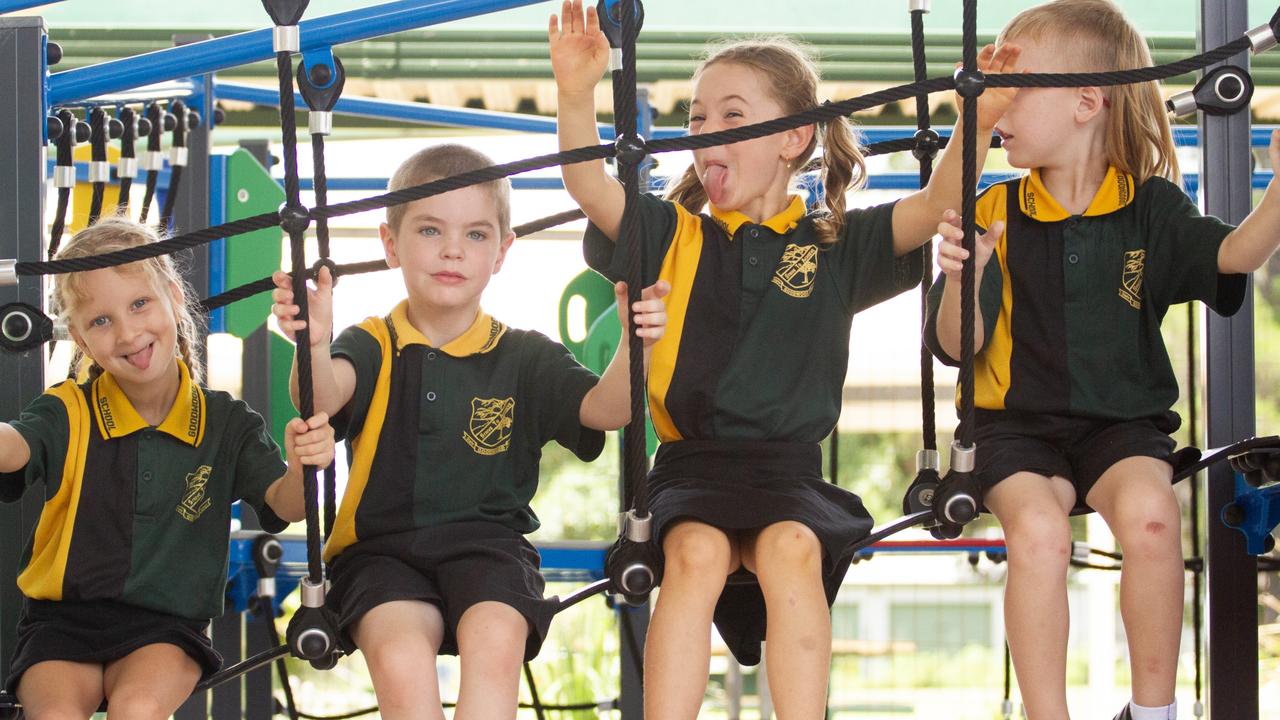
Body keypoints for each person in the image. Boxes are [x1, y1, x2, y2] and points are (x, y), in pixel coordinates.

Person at [548, 0, 1019, 715]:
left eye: (733, 116)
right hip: (690, 466)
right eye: (698, 119)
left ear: (794, 137)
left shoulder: (834, 247)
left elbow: (934, 206)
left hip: (788, 471)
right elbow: (590, 187)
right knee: (695, 555)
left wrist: (975, 118)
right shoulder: (674, 232)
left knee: (793, 548)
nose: (706, 132)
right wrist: (576, 94)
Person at [924, 2, 1280, 718]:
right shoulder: (991, 206)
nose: (998, 106)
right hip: (1012, 428)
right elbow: (957, 348)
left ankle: (1154, 711)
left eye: (1016, 90)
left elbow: (1236, 254)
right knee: (1040, 532)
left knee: (1153, 518)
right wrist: (965, 274)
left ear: (1087, 101)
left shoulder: (1151, 208)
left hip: (1121, 427)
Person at [270, 142, 669, 720]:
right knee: (401, 655)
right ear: (390, 244)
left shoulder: (525, 356)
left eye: (476, 235)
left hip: (490, 550)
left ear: (503, 251)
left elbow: (607, 409)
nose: (453, 250)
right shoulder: (371, 342)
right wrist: (311, 341)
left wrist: (638, 346)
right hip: (381, 555)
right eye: (430, 231)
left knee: (497, 642)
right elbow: (321, 396)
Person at [0, 218, 333, 720]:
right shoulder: (67, 410)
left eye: (139, 304)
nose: (129, 333)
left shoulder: (226, 423)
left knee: (137, 709)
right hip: (62, 622)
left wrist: (303, 465)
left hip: (167, 627)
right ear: (82, 343)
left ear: (175, 298)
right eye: (100, 321)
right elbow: (15, 447)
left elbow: (286, 504)